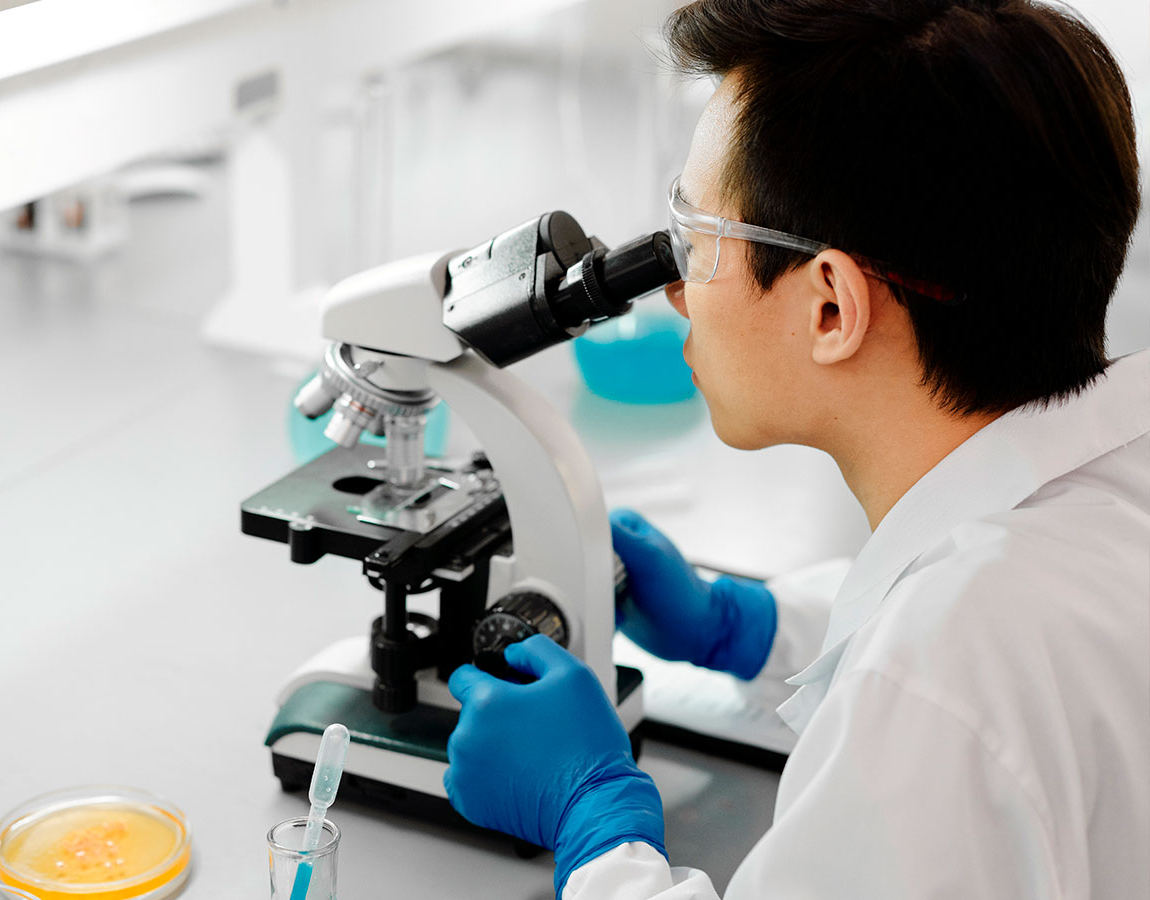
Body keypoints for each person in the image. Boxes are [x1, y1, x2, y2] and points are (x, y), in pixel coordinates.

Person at [441, 1, 1148, 897]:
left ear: (830, 308)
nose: (675, 296)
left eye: (698, 242)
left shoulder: (946, 676)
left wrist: (593, 821)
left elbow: (937, 706)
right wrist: (755, 630)